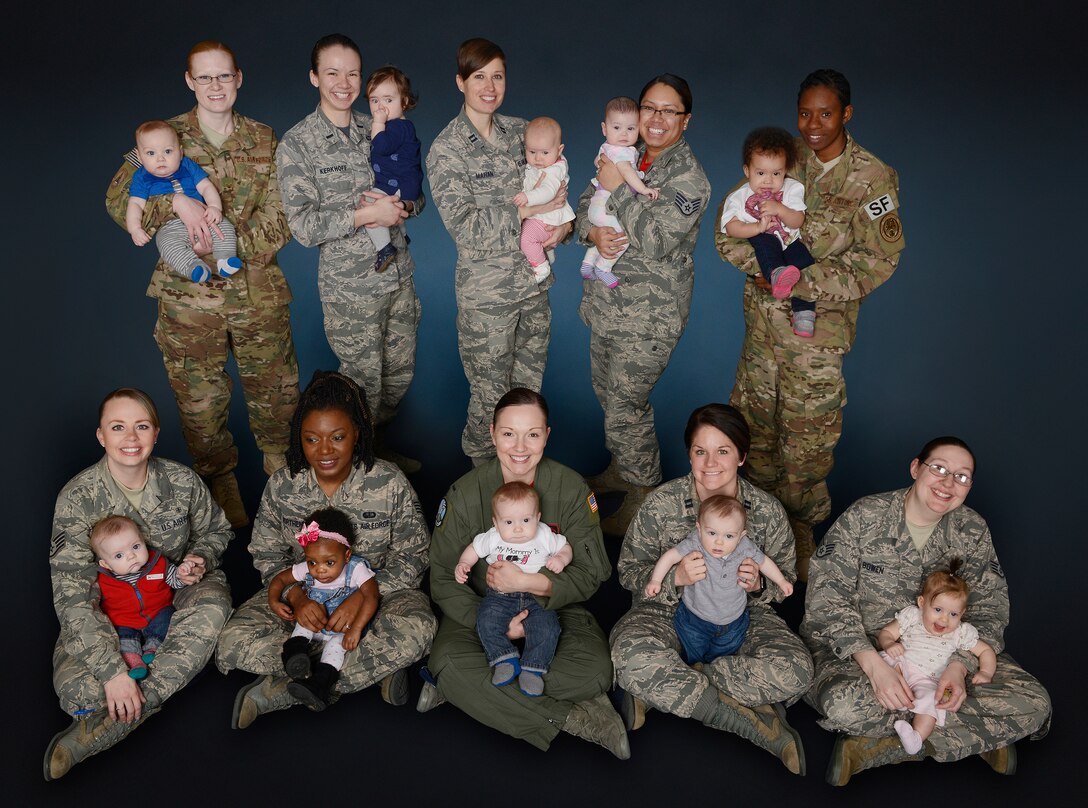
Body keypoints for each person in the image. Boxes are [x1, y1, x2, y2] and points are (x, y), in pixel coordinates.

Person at [714, 68, 906, 581]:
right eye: (805, 113)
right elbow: (727, 231)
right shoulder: (780, 156)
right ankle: (748, 530)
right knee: (753, 431)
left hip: (815, 340)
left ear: (846, 113)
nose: (813, 124)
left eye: (825, 113)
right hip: (761, 336)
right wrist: (771, 267)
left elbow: (879, 259)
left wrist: (804, 282)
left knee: (806, 441)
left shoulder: (872, 177)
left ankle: (798, 533)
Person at [104, 40, 301, 529]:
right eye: (205, 77)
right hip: (189, 303)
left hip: (257, 293)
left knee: (277, 397)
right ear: (190, 82)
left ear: (239, 79)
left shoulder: (265, 138)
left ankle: (281, 491)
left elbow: (286, 214)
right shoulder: (156, 137)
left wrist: (225, 248)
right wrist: (177, 204)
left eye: (224, 76)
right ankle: (221, 490)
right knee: (200, 402)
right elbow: (116, 199)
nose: (216, 86)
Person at [801, 436, 1051, 785]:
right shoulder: (865, 515)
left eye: (962, 477)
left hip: (943, 653)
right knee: (844, 705)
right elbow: (825, 600)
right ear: (916, 468)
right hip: (861, 651)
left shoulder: (972, 529)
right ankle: (980, 734)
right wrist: (875, 668)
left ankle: (879, 748)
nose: (949, 483)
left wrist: (958, 667)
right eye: (939, 469)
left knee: (1036, 703)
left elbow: (990, 611)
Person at [215, 371, 435, 728]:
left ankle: (281, 690)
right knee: (232, 639)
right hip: (307, 601)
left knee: (418, 628)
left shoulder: (388, 480)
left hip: (379, 600)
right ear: (298, 439)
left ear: (357, 435)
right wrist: (297, 598)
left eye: (337, 437)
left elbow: (413, 556)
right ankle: (373, 670)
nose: (325, 450)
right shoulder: (284, 484)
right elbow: (268, 555)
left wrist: (362, 600)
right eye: (312, 439)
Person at [424, 388, 626, 758]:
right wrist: (493, 623)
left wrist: (535, 583)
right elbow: (441, 576)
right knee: (450, 663)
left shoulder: (571, 489)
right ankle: (579, 719)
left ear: (547, 435)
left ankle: (469, 694)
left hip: (552, 610)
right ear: (492, 433)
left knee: (595, 670)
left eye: (532, 434)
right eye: (508, 433)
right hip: (481, 612)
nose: (520, 446)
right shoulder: (466, 494)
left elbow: (593, 570)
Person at [612, 403, 811, 774]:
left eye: (723, 451)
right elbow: (628, 571)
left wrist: (759, 585)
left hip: (742, 618)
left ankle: (660, 689)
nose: (710, 463)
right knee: (627, 653)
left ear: (741, 456)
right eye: (700, 451)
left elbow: (785, 579)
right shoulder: (662, 504)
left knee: (796, 671)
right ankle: (750, 721)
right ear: (689, 453)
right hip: (668, 613)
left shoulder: (765, 511)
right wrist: (675, 579)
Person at [45, 388, 233, 780]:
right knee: (77, 692)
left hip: (174, 592)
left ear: (156, 432)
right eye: (118, 427)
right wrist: (112, 672)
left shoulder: (181, 481)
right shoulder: (78, 499)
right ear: (101, 436)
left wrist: (201, 559)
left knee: (215, 605)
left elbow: (217, 529)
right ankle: (141, 688)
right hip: (115, 611)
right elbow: (74, 595)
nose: (131, 438)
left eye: (141, 426)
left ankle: (112, 722)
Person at [277, 35, 424, 474]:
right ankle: (359, 474)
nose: (345, 82)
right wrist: (365, 216)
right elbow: (303, 226)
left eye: (353, 73)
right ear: (314, 77)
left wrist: (404, 206)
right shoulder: (299, 144)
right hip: (351, 288)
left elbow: (414, 181)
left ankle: (372, 451)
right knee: (362, 383)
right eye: (333, 72)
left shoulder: (378, 121)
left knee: (398, 375)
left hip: (399, 274)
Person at [576, 74, 711, 535]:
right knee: (606, 394)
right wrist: (591, 231)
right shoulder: (623, 151)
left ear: (685, 120)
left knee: (626, 403)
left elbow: (653, 241)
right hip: (607, 302)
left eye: (668, 111)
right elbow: (580, 206)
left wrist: (616, 188)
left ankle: (643, 492)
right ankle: (623, 467)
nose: (655, 118)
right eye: (649, 107)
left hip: (648, 316)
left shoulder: (689, 180)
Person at [427, 38, 571, 463]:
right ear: (460, 82)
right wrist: (535, 209)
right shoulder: (447, 150)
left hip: (533, 289)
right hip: (487, 300)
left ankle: (520, 493)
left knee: (528, 398)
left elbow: (562, 192)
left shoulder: (523, 131)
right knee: (490, 399)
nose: (489, 87)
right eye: (478, 77)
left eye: (497, 76)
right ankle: (481, 479)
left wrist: (560, 227)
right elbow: (466, 226)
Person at [455, 481, 573, 697]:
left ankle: (533, 668)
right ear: (496, 522)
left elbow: (565, 547)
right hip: (500, 596)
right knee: (486, 618)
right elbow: (473, 548)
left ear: (537, 518)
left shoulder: (544, 534)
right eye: (508, 522)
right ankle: (504, 658)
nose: (518, 528)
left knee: (548, 627)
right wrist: (464, 564)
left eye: (526, 520)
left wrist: (561, 559)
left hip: (538, 597)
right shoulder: (492, 537)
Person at [645, 495, 793, 665]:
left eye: (729, 536)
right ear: (699, 529)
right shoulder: (696, 542)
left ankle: (714, 673)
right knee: (692, 652)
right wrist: (656, 581)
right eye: (712, 533)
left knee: (723, 655)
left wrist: (781, 581)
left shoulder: (745, 546)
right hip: (695, 617)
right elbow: (670, 556)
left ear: (741, 535)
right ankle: (694, 670)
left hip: (733, 620)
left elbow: (765, 562)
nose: (719, 542)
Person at [877, 560, 997, 755]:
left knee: (935, 703)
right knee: (883, 660)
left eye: (953, 614)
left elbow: (986, 651)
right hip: (903, 663)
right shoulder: (913, 617)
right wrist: (889, 644)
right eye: (938, 610)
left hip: (928, 679)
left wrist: (985, 672)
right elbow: (886, 633)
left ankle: (916, 738)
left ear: (962, 613)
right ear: (922, 603)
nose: (944, 619)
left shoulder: (961, 632)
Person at [270, 509, 379, 711]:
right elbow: (280, 579)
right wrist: (274, 601)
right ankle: (295, 657)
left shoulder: (355, 569)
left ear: (346, 555)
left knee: (335, 649)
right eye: (312, 562)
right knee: (302, 625)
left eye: (329, 562)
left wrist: (356, 628)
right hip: (315, 623)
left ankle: (318, 685)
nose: (319, 570)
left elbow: (371, 596)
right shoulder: (308, 568)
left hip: (343, 629)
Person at [719, 126, 815, 337]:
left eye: (776, 173)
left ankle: (804, 312)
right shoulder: (739, 197)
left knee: (804, 260)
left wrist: (781, 209)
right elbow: (731, 227)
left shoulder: (791, 189)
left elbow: (798, 220)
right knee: (765, 242)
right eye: (760, 173)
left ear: (785, 171)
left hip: (789, 241)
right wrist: (756, 227)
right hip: (765, 238)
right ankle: (776, 273)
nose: (768, 181)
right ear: (747, 171)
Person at [125, 120, 242, 282]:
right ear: (139, 156)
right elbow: (135, 204)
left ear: (180, 152)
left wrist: (215, 207)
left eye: (167, 151)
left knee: (224, 227)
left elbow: (206, 187)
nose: (160, 159)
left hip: (204, 217)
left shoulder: (187, 166)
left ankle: (225, 260)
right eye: (151, 153)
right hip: (171, 227)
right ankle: (193, 267)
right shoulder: (141, 177)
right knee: (166, 243)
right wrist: (135, 228)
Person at [90, 514, 203, 680]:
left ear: (143, 541)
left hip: (157, 612)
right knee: (122, 636)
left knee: (168, 618)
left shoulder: (157, 563)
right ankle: (133, 660)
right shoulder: (103, 580)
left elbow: (175, 581)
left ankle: (153, 648)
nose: (131, 556)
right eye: (119, 555)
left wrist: (182, 572)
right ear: (106, 564)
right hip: (123, 620)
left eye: (135, 546)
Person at [579, 96, 660, 288]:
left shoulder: (605, 147)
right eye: (617, 128)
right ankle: (603, 268)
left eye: (630, 128)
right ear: (604, 128)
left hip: (596, 208)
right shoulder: (623, 152)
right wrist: (644, 188)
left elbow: (596, 163)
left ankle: (588, 263)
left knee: (604, 235)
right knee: (622, 235)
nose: (624, 134)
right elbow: (626, 173)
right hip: (608, 208)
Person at [366, 64, 424, 274]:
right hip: (401, 183)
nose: (380, 107)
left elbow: (380, 146)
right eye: (374, 100)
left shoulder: (397, 127)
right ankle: (402, 233)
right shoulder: (396, 126)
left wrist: (378, 123)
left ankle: (384, 247)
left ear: (405, 101)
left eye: (388, 100)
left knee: (372, 206)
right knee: (386, 205)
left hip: (399, 185)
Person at [513, 117, 576, 282]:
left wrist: (528, 196)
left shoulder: (555, 170)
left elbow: (548, 192)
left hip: (546, 218)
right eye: (532, 152)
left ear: (559, 149)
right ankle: (547, 253)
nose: (538, 159)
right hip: (540, 215)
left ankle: (541, 267)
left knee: (526, 238)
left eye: (545, 153)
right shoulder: (543, 162)